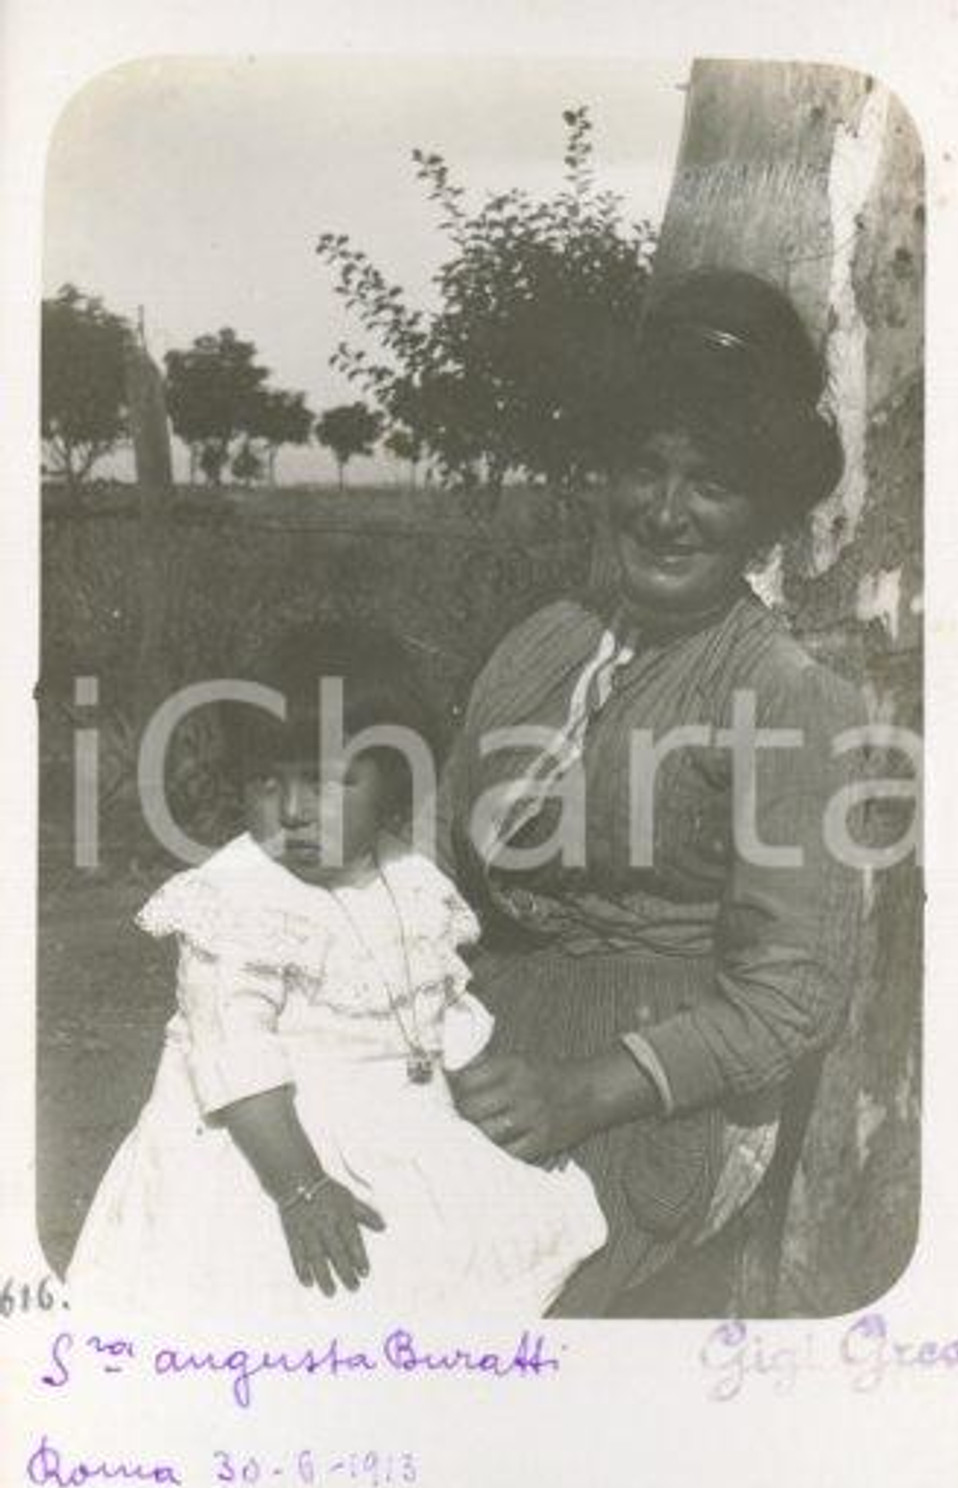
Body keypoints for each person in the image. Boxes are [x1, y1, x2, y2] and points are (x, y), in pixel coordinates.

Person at [438, 268, 866, 1316]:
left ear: (763, 511)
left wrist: (580, 1091)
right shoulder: (541, 644)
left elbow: (792, 994)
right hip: (482, 1046)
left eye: (710, 482)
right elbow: (435, 869)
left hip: (646, 1098)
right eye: (644, 468)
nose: (666, 512)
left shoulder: (784, 692)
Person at [67, 625, 607, 1327]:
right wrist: (300, 1189)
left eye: (324, 783)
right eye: (268, 781)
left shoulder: (409, 881)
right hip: (269, 1143)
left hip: (396, 1123)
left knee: (473, 1252)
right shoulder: (239, 899)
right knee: (299, 1298)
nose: (293, 812)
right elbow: (234, 1058)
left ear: (392, 788)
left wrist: (488, 1099)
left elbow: (440, 1006)